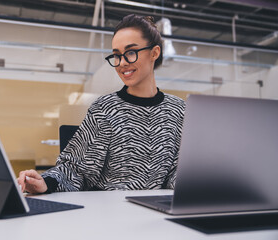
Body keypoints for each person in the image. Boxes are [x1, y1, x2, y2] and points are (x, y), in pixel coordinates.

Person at [18, 14, 185, 194]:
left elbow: (181, 172)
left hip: (159, 213)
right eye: (116, 55)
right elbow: (75, 169)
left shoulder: (179, 110)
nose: (121, 63)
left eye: (130, 52)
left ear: (155, 53)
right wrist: (45, 182)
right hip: (110, 212)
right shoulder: (105, 109)